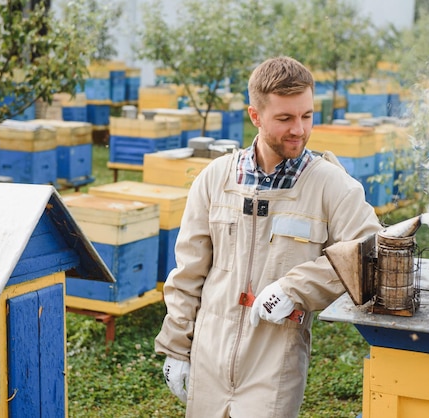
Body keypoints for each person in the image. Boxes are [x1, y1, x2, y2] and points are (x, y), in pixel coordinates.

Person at [155, 56, 382, 418]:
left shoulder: (331, 185)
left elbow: (370, 253)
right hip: (209, 357)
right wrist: (175, 347)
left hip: (275, 363)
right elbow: (189, 273)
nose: (299, 129)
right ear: (255, 116)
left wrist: (295, 288)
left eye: (307, 116)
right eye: (285, 118)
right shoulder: (216, 178)